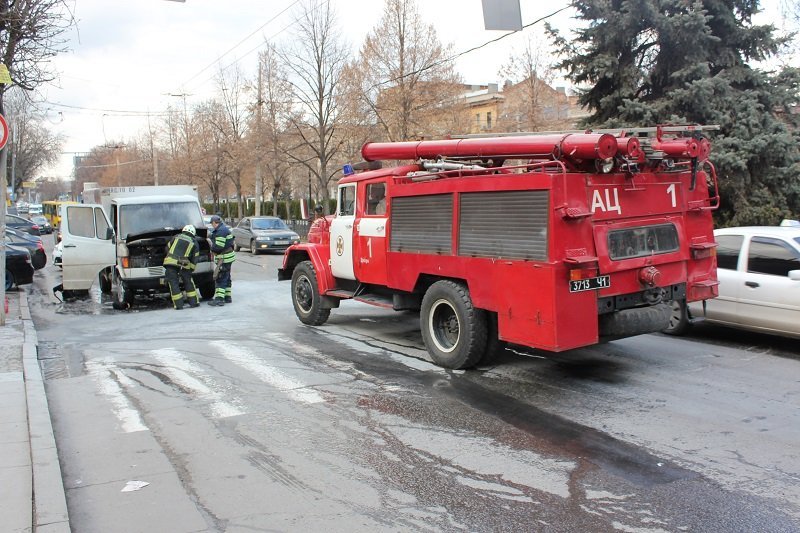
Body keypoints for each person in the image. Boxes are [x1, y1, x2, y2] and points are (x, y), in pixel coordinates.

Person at [163, 225, 199, 310]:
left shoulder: (176, 237)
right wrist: (192, 268)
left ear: (184, 230)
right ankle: (194, 303)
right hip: (184, 263)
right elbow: (195, 257)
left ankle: (178, 305)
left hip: (170, 263)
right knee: (188, 281)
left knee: (173, 283)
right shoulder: (194, 241)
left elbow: (167, 248)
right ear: (193, 233)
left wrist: (170, 257)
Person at [208, 214, 236, 306]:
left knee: (221, 277)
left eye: (212, 224)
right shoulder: (222, 229)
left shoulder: (221, 231)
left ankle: (219, 299)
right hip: (228, 257)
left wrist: (211, 249)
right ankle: (228, 297)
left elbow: (219, 247)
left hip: (224, 258)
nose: (212, 225)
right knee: (227, 277)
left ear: (214, 223)